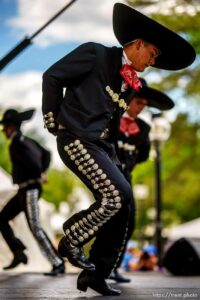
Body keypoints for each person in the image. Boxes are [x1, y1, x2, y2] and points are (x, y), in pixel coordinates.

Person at [42, 2, 195, 296]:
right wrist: (53, 120)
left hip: (99, 145)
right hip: (75, 138)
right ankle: (71, 238)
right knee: (117, 195)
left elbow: (111, 120)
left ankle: (98, 274)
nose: (153, 60)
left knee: (125, 205)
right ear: (138, 43)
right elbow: (52, 76)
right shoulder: (96, 53)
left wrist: (112, 153)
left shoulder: (129, 82)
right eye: (153, 53)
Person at [109, 78, 174, 282]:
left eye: (144, 105)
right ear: (129, 98)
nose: (141, 108)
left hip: (126, 179)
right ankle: (99, 265)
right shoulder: (111, 118)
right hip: (105, 177)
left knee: (130, 222)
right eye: (139, 103)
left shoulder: (144, 129)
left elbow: (144, 155)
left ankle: (114, 267)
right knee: (108, 221)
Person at [0, 108, 65, 276]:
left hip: (30, 190)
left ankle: (57, 262)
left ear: (11, 127)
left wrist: (39, 173)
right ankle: (18, 252)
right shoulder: (26, 141)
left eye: (5, 127)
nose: (4, 131)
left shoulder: (19, 143)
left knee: (35, 227)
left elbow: (34, 160)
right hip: (24, 190)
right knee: (1, 219)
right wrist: (42, 171)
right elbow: (47, 154)